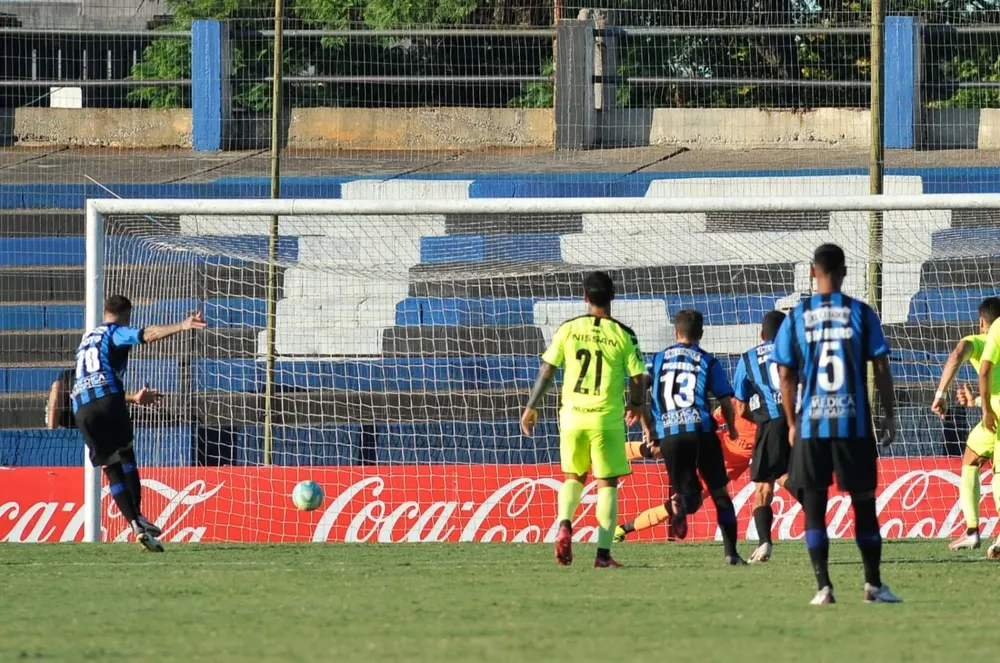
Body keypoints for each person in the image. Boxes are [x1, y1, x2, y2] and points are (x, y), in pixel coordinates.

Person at [772, 243, 901, 605]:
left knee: (814, 506)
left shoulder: (797, 315)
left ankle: (823, 588)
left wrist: (792, 420)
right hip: (853, 425)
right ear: (845, 271)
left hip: (812, 425)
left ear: (814, 272)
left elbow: (785, 374)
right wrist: (888, 415)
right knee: (863, 504)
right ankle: (873, 585)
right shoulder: (861, 312)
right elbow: (881, 367)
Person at [520, 271, 646, 568]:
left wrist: (531, 406)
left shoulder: (568, 329)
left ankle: (565, 523)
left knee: (573, 477)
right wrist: (636, 404)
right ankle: (602, 555)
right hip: (606, 419)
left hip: (572, 417)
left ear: (585, 298)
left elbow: (547, 371)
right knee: (607, 483)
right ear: (612, 297)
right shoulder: (624, 335)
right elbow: (639, 376)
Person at [72, 294, 206, 552]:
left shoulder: (86, 342)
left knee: (111, 469)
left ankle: (134, 521)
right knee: (126, 454)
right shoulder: (115, 332)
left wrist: (133, 397)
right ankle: (140, 516)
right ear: (127, 315)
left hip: (82, 408)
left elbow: (92, 379)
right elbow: (147, 335)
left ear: (104, 311)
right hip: (109, 399)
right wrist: (182, 325)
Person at [629, 309, 745, 564]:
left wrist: (648, 429)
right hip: (702, 432)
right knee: (720, 494)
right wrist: (733, 428)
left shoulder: (656, 360)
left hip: (670, 437)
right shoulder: (707, 361)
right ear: (701, 334)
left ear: (675, 332)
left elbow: (638, 387)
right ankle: (731, 554)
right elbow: (726, 401)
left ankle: (681, 507)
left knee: (688, 499)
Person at [616, 407, 754, 542]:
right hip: (707, 449)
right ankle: (612, 454)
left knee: (680, 504)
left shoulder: (772, 424)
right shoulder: (741, 402)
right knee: (657, 449)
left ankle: (622, 530)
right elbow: (712, 419)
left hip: (719, 472)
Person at [930, 296, 1000, 551]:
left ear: (982, 322)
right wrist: (976, 400)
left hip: (994, 412)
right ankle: (971, 530)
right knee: (971, 457)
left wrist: (941, 394)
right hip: (993, 410)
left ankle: (976, 530)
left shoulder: (980, 341)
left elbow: (958, 353)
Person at [732, 310, 792, 563]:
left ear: (761, 334)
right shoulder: (798, 352)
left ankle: (765, 542)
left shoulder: (747, 359)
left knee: (763, 487)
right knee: (788, 476)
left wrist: (760, 419)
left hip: (770, 424)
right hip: (799, 421)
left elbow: (741, 406)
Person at [973, 298, 1000, 558]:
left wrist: (985, 410)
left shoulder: (996, 331)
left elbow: (984, 372)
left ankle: (973, 528)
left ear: (983, 322)